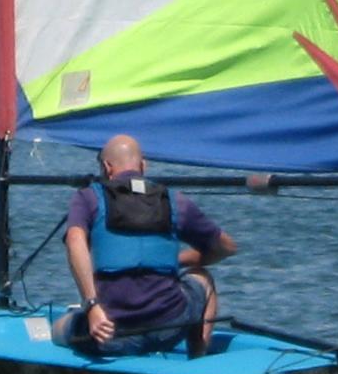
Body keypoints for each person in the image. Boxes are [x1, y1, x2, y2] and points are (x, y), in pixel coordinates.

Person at [52, 134, 237, 358]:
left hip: (110, 336)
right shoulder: (175, 201)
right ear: (144, 165)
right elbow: (226, 247)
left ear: (106, 167)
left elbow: (74, 242)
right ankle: (197, 357)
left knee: (57, 329)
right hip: (169, 328)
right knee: (202, 278)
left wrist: (92, 306)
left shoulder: (88, 198)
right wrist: (175, 261)